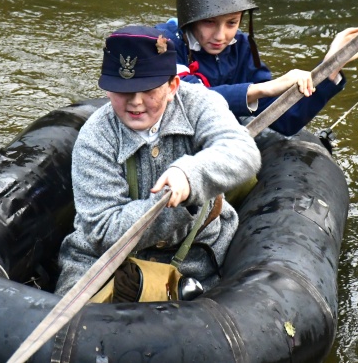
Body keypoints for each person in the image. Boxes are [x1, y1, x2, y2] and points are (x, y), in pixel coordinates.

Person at [55, 25, 261, 297]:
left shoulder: (201, 104)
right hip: (103, 262)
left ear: (173, 85)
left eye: (148, 89)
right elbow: (103, 231)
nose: (136, 102)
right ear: (107, 90)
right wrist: (171, 204)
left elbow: (243, 152)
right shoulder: (94, 137)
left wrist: (190, 176)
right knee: (72, 330)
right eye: (123, 90)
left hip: (198, 259)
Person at [156, 0, 358, 136]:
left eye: (232, 23)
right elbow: (186, 97)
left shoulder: (241, 47)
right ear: (189, 18)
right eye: (209, 22)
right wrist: (266, 88)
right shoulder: (164, 44)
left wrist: (330, 67)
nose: (220, 35)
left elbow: (285, 121)